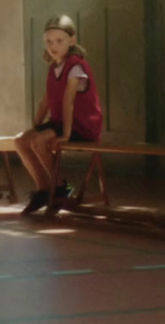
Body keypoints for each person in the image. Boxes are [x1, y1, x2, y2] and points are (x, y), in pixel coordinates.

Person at [14, 14, 104, 215]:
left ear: (71, 41)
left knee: (38, 141)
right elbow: (45, 100)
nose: (53, 46)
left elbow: (68, 102)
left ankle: (61, 187)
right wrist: (35, 126)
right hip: (61, 122)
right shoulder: (54, 66)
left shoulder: (76, 66)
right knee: (21, 140)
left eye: (59, 41)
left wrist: (65, 135)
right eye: (48, 41)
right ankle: (43, 189)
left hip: (82, 125)